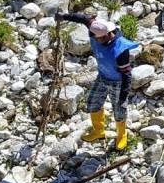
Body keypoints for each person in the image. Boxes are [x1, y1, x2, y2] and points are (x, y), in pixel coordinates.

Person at [54, 13, 139, 150]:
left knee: (119, 109)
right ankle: (99, 132)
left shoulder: (120, 49)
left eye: (98, 39)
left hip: (117, 81)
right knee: (93, 102)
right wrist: (63, 17)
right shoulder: (95, 28)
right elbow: (83, 18)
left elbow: (127, 75)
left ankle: (122, 135)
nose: (94, 39)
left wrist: (123, 95)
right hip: (102, 76)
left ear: (107, 35)